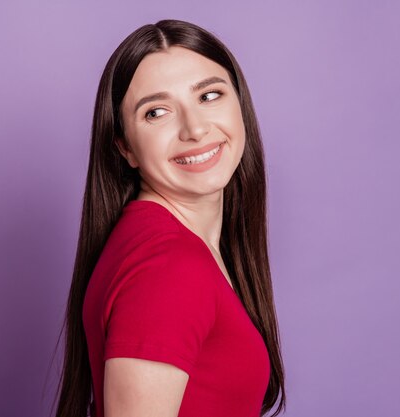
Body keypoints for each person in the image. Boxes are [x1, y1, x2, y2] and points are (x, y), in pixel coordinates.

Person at [52, 19, 286, 417]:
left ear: (240, 105)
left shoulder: (163, 242)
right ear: (125, 147)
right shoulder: (169, 267)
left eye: (210, 95)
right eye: (156, 112)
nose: (194, 129)